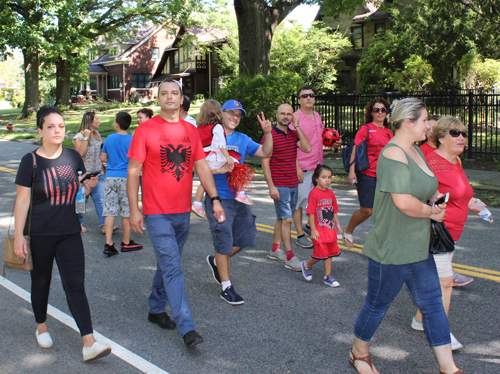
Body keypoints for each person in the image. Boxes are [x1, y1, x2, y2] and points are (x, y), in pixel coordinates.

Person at [350, 98, 466, 374]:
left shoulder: (416, 151)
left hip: (417, 245)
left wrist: (435, 197)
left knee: (433, 306)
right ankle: (358, 352)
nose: (429, 125)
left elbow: (423, 186)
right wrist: (432, 212)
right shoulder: (393, 155)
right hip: (391, 248)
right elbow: (402, 201)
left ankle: (448, 367)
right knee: (377, 306)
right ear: (409, 123)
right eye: (425, 120)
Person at [127, 79, 225, 349]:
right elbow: (133, 171)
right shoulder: (145, 130)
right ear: (157, 99)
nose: (169, 97)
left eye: (174, 93)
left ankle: (156, 308)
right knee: (173, 268)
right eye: (164, 93)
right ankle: (188, 328)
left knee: (167, 263)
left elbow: (202, 167)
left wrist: (215, 199)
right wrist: (134, 209)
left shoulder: (190, 130)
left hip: (182, 212)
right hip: (156, 212)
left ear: (181, 99)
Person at [14, 106, 111, 362]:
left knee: (75, 286)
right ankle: (41, 326)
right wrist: (20, 237)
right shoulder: (30, 161)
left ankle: (89, 342)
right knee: (41, 283)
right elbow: (22, 201)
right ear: (40, 131)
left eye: (60, 126)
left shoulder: (72, 156)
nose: (57, 131)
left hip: (69, 232)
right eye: (50, 127)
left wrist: (86, 184)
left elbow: (72, 188)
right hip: (40, 234)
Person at [411, 116, 482, 350]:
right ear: (440, 137)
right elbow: (418, 193)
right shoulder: (430, 161)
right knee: (445, 283)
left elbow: (458, 192)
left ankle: (420, 320)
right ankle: (440, 334)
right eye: (455, 133)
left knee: (435, 282)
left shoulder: (456, 161)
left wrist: (472, 202)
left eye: (463, 133)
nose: (461, 137)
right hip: (436, 233)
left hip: (452, 235)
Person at [205, 100, 273, 305]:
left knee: (245, 239)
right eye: (231, 113)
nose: (235, 117)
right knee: (224, 241)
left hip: (239, 198)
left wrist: (267, 132)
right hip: (219, 198)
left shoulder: (242, 139)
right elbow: (198, 166)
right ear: (221, 114)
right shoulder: (211, 136)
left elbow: (266, 153)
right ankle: (226, 287)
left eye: (239, 115)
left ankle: (217, 260)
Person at [262, 104, 311, 272]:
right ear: (276, 115)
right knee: (287, 219)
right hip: (279, 185)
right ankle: (290, 256)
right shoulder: (270, 135)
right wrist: (271, 186)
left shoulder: (293, 134)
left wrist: (297, 126)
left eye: (289, 114)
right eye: (282, 113)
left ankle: (275, 249)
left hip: (292, 183)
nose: (285, 116)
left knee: (282, 218)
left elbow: (307, 148)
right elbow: (265, 162)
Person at [293, 86, 342, 248]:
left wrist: (334, 142)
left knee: (318, 199)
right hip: (303, 167)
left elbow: (320, 139)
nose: (308, 98)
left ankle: (308, 226)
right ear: (299, 100)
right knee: (299, 202)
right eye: (304, 96)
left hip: (317, 166)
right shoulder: (295, 118)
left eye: (311, 95)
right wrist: (297, 167)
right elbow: (291, 144)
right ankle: (300, 234)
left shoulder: (317, 116)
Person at [191, 100, 255, 218]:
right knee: (237, 164)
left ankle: (197, 203)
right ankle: (240, 192)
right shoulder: (217, 127)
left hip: (204, 159)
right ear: (218, 113)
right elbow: (221, 145)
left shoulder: (199, 128)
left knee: (204, 181)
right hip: (214, 156)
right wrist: (227, 157)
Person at [343, 98, 393, 247]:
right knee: (367, 210)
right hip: (367, 174)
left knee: (383, 211)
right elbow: (355, 150)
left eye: (383, 109)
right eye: (376, 110)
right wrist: (351, 172)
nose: (380, 112)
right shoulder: (366, 129)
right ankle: (348, 231)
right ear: (371, 113)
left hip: (385, 176)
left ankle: (380, 241)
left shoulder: (390, 133)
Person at [100, 112, 142, 256]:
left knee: (110, 210)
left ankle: (109, 243)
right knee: (126, 211)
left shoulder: (110, 138)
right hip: (126, 178)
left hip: (110, 177)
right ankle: (126, 241)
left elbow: (103, 157)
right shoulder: (132, 139)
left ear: (116, 124)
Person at [73, 111, 118, 234]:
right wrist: (86, 137)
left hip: (98, 174)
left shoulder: (97, 134)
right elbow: (79, 154)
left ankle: (105, 225)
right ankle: (78, 223)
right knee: (81, 201)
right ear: (90, 122)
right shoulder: (79, 137)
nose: (99, 121)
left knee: (101, 199)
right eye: (97, 119)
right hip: (84, 175)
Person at [300, 164, 342, 287]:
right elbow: (311, 213)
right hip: (319, 230)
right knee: (321, 254)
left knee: (329, 253)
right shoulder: (314, 193)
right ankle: (306, 264)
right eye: (324, 177)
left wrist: (338, 225)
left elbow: (333, 211)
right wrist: (313, 230)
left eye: (329, 177)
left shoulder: (330, 193)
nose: (327, 180)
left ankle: (327, 276)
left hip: (329, 229)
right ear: (316, 178)